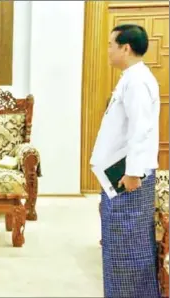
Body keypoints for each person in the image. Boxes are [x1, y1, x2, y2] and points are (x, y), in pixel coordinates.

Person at [90, 24, 160, 297]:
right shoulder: (130, 76)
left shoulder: (138, 80)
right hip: (118, 174)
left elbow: (140, 130)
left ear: (125, 48)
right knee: (117, 244)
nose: (107, 50)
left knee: (129, 246)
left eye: (110, 44)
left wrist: (132, 173)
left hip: (128, 177)